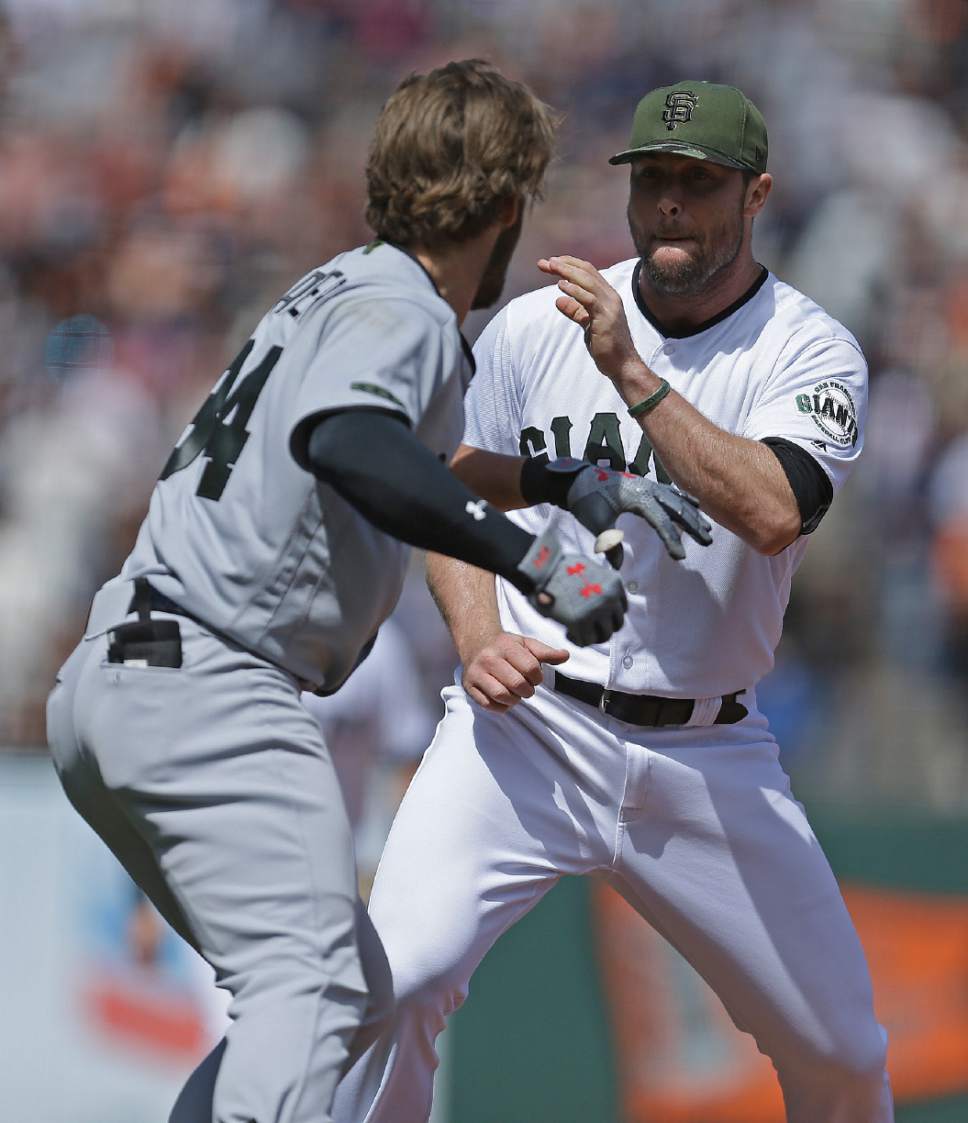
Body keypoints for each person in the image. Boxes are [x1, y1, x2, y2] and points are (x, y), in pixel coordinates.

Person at [44, 60, 712, 1123]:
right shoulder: (401, 308)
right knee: (310, 993)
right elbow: (353, 443)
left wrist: (558, 480)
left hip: (127, 675)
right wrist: (528, 554)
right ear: (502, 208)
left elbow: (405, 455)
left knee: (342, 994)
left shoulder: (344, 288)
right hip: (213, 679)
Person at [333, 80, 894, 1122]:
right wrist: (476, 633)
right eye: (653, 181)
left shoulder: (804, 349)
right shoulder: (538, 325)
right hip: (527, 727)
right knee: (389, 984)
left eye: (698, 182)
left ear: (755, 193)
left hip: (703, 752)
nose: (670, 202)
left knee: (842, 1056)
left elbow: (774, 509)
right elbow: (441, 482)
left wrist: (631, 375)